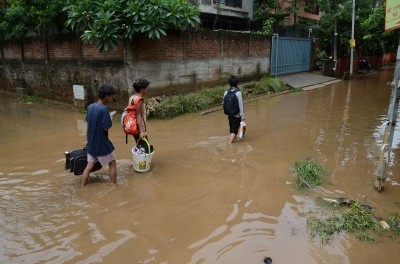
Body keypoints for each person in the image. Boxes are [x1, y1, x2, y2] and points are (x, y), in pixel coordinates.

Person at [81, 85, 117, 187]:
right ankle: (114, 187)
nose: (111, 98)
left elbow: (88, 125)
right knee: (112, 163)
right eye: (110, 96)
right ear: (106, 96)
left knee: (89, 165)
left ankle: (82, 186)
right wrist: (111, 117)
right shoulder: (104, 109)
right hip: (101, 143)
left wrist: (87, 141)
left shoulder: (90, 107)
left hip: (91, 143)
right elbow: (106, 127)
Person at [223, 76, 245, 144]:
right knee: (234, 131)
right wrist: (242, 116)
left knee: (232, 128)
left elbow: (223, 103)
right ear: (237, 83)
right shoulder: (238, 93)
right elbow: (241, 105)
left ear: (230, 83)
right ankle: (229, 144)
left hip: (229, 114)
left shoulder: (226, 92)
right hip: (237, 115)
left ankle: (233, 138)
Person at [128, 79, 150, 143]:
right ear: (142, 89)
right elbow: (139, 116)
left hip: (133, 127)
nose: (147, 89)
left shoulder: (131, 98)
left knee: (139, 147)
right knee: (145, 149)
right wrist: (142, 132)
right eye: (146, 88)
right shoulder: (139, 100)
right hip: (140, 129)